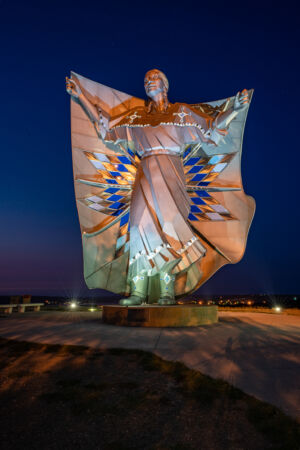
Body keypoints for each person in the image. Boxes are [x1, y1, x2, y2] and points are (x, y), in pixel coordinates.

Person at [66, 69, 250, 305]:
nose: (147, 82)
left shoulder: (181, 113)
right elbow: (107, 130)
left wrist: (234, 109)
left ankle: (166, 292)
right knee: (139, 229)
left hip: (171, 174)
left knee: (169, 231)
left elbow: (211, 129)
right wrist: (80, 96)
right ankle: (138, 292)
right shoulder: (137, 118)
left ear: (165, 86)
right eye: (145, 80)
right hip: (144, 176)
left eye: (153, 78)